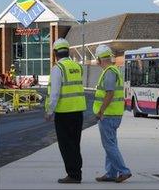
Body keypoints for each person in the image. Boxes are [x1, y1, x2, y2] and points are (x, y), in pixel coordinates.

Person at [44, 38, 86, 183]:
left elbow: (54, 93)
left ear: (55, 53)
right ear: (68, 51)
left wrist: (50, 111)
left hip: (64, 113)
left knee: (66, 145)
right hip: (78, 112)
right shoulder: (77, 67)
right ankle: (77, 173)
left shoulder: (58, 68)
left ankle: (73, 175)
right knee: (75, 143)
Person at [94, 44, 132, 183]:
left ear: (99, 59)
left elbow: (109, 93)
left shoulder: (109, 72)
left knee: (109, 145)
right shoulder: (115, 70)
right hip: (114, 114)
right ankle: (110, 173)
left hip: (108, 115)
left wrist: (100, 111)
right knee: (111, 144)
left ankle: (124, 171)